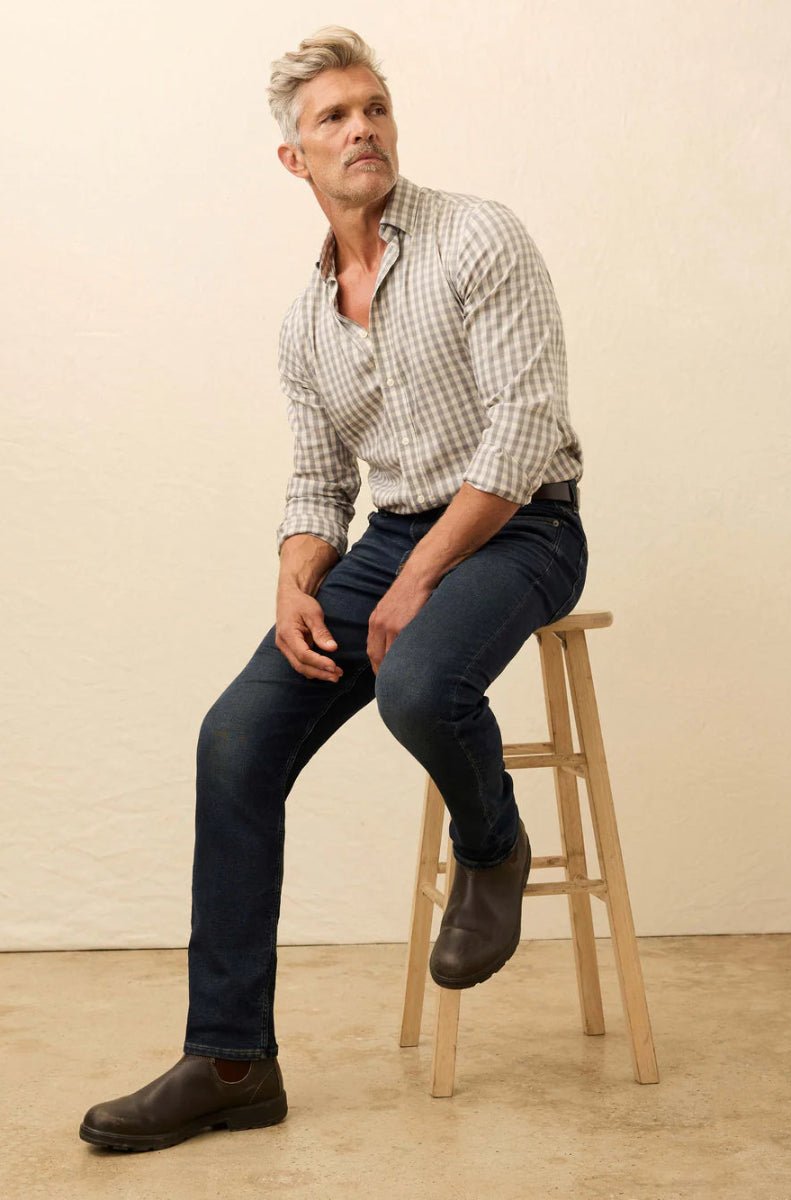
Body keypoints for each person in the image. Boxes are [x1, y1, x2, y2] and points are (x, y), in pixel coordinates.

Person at [79, 25, 587, 1153]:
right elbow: (319, 481)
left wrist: (413, 579)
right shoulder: (305, 320)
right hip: (393, 536)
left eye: (373, 107)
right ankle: (230, 1060)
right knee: (234, 739)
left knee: (414, 680)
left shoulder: (477, 238)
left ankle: (493, 846)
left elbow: (521, 432)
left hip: (522, 526)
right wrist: (293, 581)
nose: (361, 128)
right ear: (293, 160)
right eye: (332, 118)